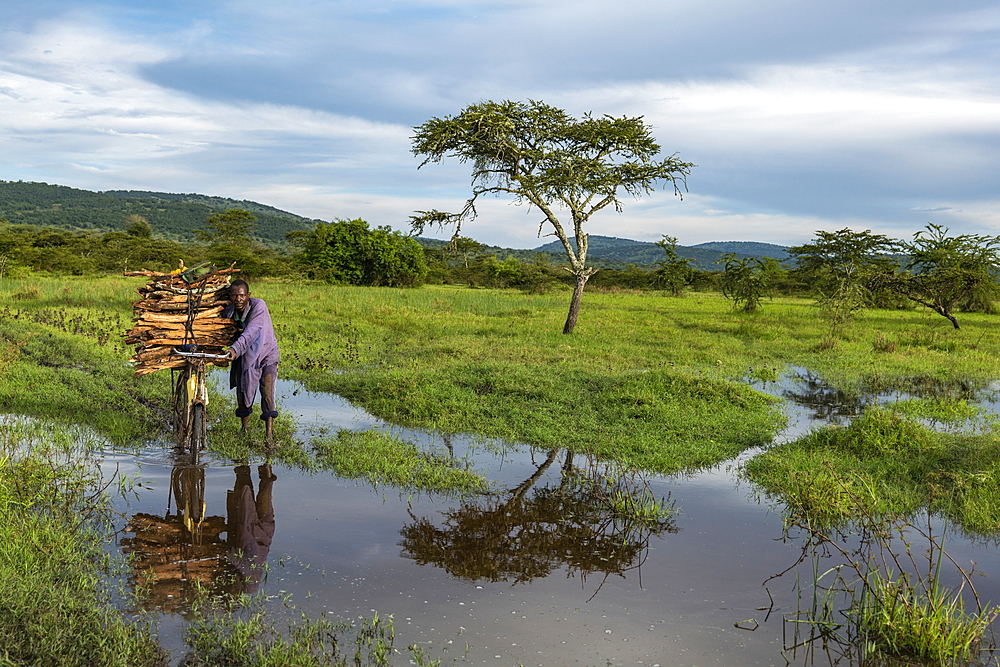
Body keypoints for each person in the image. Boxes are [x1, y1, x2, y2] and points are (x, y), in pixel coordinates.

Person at [222, 279, 280, 443]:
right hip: (246, 355)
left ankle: (268, 435)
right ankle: (244, 428)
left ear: (248, 295)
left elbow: (251, 331)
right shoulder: (230, 312)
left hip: (267, 353)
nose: (238, 299)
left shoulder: (258, 306)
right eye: (234, 296)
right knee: (243, 389)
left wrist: (234, 349)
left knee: (267, 391)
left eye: (241, 295)